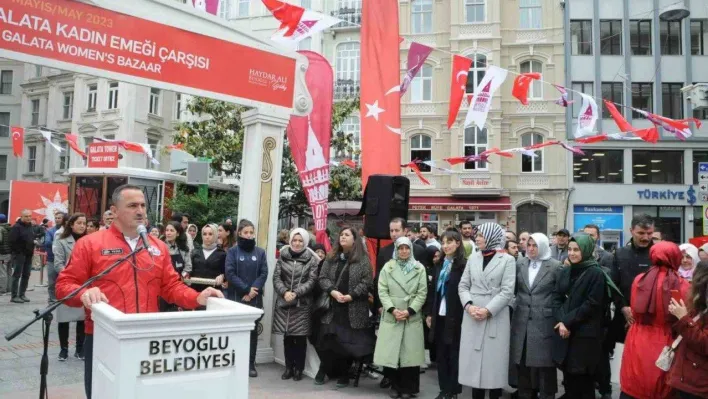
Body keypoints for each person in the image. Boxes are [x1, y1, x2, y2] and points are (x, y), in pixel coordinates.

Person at [55, 184, 223, 399]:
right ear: (114, 211)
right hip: (102, 337)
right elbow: (63, 286)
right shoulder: (90, 244)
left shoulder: (157, 247)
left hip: (145, 338)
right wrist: (83, 294)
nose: (141, 211)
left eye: (143, 205)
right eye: (132, 205)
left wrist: (197, 297)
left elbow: (171, 287)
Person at [619, 242, 691, 399]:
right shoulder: (682, 285)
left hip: (637, 337)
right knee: (661, 386)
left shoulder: (639, 280)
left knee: (635, 380)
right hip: (667, 340)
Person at [458, 223, 516, 399]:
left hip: (495, 316)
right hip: (473, 315)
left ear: (491, 237)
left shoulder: (507, 260)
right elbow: (463, 285)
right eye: (478, 235)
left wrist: (488, 310)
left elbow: (507, 291)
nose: (477, 237)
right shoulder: (473, 258)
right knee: (474, 363)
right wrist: (469, 306)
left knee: (493, 364)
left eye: (481, 235)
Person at [551, 234, 608, 399]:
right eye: (569, 249)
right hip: (565, 332)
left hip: (585, 335)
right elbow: (556, 298)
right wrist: (561, 321)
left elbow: (591, 304)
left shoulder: (596, 273)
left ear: (586, 250)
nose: (572, 253)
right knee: (569, 377)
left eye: (577, 249)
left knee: (582, 381)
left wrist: (566, 322)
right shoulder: (565, 271)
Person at [317, 227, 374, 388]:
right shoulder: (332, 257)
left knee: (347, 343)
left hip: (353, 308)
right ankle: (324, 368)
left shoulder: (363, 259)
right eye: (341, 234)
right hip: (333, 306)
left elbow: (367, 281)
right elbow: (322, 277)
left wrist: (352, 296)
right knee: (327, 341)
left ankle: (344, 374)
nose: (343, 237)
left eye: (347, 235)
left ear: (354, 240)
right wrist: (333, 292)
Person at [374, 237, 428, 399]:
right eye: (400, 248)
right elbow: (382, 290)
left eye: (407, 248)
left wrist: (410, 310)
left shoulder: (419, 268)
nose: (404, 251)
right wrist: (392, 309)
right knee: (394, 353)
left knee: (410, 354)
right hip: (393, 315)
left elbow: (422, 292)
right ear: (396, 250)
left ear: (411, 249)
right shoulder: (387, 267)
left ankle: (409, 388)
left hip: (411, 315)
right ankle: (395, 386)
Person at [510, 233, 562, 399]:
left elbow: (560, 294)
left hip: (544, 323)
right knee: (523, 364)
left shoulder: (555, 266)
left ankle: (547, 395)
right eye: (529, 245)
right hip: (521, 321)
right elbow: (515, 289)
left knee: (545, 367)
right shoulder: (521, 263)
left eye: (535, 245)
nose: (531, 249)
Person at [273, 228, 319, 382]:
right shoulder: (282, 257)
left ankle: (298, 369)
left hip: (301, 304)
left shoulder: (311, 260)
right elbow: (276, 278)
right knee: (287, 337)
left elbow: (312, 280)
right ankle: (288, 368)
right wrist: (285, 291)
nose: (297, 243)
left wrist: (296, 293)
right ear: (290, 241)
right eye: (294, 240)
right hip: (284, 302)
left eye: (300, 241)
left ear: (305, 242)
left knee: (299, 339)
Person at [426, 230, 466, 399]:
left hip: (455, 315)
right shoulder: (439, 264)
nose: (446, 246)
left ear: (457, 243)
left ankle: (453, 390)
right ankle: (444, 389)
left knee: (454, 354)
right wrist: (429, 313)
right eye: (443, 242)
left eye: (449, 242)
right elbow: (432, 291)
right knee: (441, 354)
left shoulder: (463, 265)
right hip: (439, 313)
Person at [225, 219, 268, 378]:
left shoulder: (260, 252)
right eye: (246, 232)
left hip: (254, 299)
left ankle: (250, 364)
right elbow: (230, 274)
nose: (249, 235)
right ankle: (234, 363)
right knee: (236, 332)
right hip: (237, 298)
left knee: (252, 332)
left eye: (251, 232)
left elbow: (263, 274)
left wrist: (252, 291)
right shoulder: (232, 252)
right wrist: (245, 289)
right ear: (240, 233)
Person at [610, 214, 655, 345]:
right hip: (623, 318)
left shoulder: (658, 254)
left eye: (649, 233)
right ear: (631, 231)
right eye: (641, 233)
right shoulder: (620, 254)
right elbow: (614, 284)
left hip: (651, 320)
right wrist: (623, 307)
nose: (645, 237)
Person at [583, 224, 616, 399]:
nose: (588, 237)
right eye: (585, 234)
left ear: (597, 237)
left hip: (600, 316)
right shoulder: (575, 253)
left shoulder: (607, 257)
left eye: (592, 235)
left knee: (602, 356)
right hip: (583, 316)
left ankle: (605, 388)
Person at [667, 260, 708, 399]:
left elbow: (704, 343)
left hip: (697, 382)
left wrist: (683, 317)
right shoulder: (699, 302)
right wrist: (678, 315)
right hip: (689, 375)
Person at [53, 213, 87, 361]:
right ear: (71, 224)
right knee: (64, 319)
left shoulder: (88, 241)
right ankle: (63, 349)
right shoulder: (61, 241)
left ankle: (80, 349)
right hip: (66, 284)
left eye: (84, 223)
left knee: (82, 318)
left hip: (84, 284)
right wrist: (69, 277)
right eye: (79, 223)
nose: (82, 226)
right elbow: (58, 264)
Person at [189, 224, 227, 294]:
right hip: (195, 291)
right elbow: (189, 269)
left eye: (210, 234)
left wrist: (222, 276)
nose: (207, 237)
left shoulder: (222, 253)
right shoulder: (195, 252)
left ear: (215, 235)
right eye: (205, 234)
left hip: (213, 291)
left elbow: (226, 272)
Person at [9, 209, 35, 303]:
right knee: (17, 275)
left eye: (30, 216)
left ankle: (22, 294)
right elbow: (12, 242)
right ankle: (14, 296)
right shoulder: (16, 227)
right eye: (26, 216)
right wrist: (18, 252)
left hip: (28, 254)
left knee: (26, 275)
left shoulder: (30, 226)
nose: (28, 218)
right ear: (22, 217)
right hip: (19, 255)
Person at [45, 211, 66, 303]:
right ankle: (52, 298)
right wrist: (61, 244)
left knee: (62, 280)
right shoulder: (50, 231)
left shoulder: (66, 230)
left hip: (64, 260)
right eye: (56, 218)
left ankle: (61, 296)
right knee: (52, 281)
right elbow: (47, 242)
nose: (57, 219)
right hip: (51, 259)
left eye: (59, 218)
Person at [0, 214, 11, 296]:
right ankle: (9, 288)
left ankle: (2, 289)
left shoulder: (0, 229)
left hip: (2, 254)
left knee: (2, 271)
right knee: (9, 271)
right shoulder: (9, 228)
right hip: (10, 253)